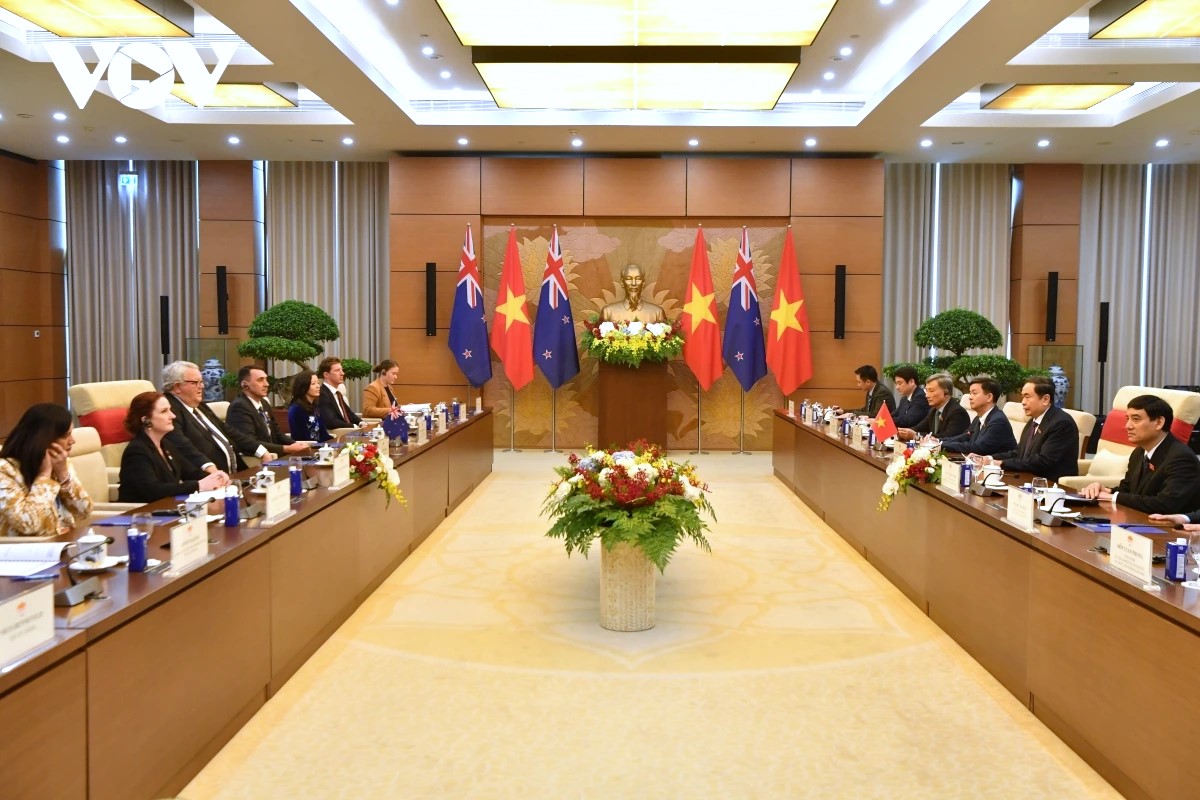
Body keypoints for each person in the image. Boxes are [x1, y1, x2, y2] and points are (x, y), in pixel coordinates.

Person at [1081, 394, 1200, 513]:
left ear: (1159, 422)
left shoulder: (1181, 458)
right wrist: (1106, 491)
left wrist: (1113, 497)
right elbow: (1127, 490)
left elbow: (1165, 504)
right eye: (1128, 419)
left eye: (1136, 419)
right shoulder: (1139, 452)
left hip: (1170, 523)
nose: (1128, 426)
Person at [0, 403, 92, 537]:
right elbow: (28, 525)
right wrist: (44, 477)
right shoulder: (4, 471)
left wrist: (63, 475)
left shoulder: (61, 464)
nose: (72, 441)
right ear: (44, 438)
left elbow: (84, 511)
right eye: (66, 435)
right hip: (29, 549)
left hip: (64, 543)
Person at [119, 392, 226, 503]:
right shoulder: (136, 451)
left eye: (170, 410)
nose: (173, 416)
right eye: (164, 411)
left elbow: (190, 473)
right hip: (141, 511)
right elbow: (153, 490)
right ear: (146, 420)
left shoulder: (166, 444)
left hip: (166, 507)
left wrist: (215, 477)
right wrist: (198, 485)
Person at [972, 379, 1079, 482]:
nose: (1023, 402)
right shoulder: (1033, 421)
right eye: (1023, 397)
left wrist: (1001, 463)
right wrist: (988, 458)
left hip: (1049, 484)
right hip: (1027, 479)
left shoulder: (1061, 423)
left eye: (1027, 397)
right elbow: (1019, 453)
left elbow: (1043, 461)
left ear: (1045, 399)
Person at [162, 360, 246, 474]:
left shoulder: (200, 405)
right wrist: (208, 466)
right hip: (207, 477)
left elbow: (226, 430)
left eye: (201, 382)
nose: (202, 386)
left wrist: (260, 450)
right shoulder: (169, 410)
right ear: (177, 387)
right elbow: (182, 445)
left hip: (235, 472)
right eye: (195, 382)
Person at [225, 366, 310, 459]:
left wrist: (296, 445)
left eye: (266, 379)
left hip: (275, 456)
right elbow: (249, 443)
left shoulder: (264, 403)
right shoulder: (239, 407)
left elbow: (277, 434)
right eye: (260, 380)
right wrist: (286, 449)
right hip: (256, 459)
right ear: (245, 385)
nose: (266, 384)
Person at [940, 376, 1016, 455]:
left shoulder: (998, 421)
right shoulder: (978, 418)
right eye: (970, 393)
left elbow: (977, 448)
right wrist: (939, 441)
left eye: (974, 393)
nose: (970, 397)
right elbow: (965, 437)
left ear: (989, 397)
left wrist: (941, 445)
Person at [897, 373, 968, 441]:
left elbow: (946, 438)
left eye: (931, 391)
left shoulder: (957, 413)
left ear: (945, 393)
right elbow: (919, 428)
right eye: (926, 391)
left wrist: (916, 436)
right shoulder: (934, 410)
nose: (927, 395)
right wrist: (903, 432)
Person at [599, 264, 666, 324]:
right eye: (629, 279)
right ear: (622, 282)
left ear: (643, 283)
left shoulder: (657, 313)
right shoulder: (608, 312)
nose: (633, 283)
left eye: (638, 279)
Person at [316, 357, 362, 430]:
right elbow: (331, 421)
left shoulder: (338, 393)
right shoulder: (322, 394)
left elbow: (349, 413)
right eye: (337, 370)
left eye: (342, 370)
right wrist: (353, 426)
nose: (342, 373)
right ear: (326, 374)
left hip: (348, 431)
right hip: (338, 434)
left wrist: (361, 422)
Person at [288, 370, 332, 443]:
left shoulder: (315, 407)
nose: (318, 386)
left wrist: (337, 442)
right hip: (308, 447)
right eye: (313, 384)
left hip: (320, 446)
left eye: (318, 383)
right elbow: (302, 438)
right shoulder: (296, 409)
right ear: (304, 386)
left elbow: (324, 434)